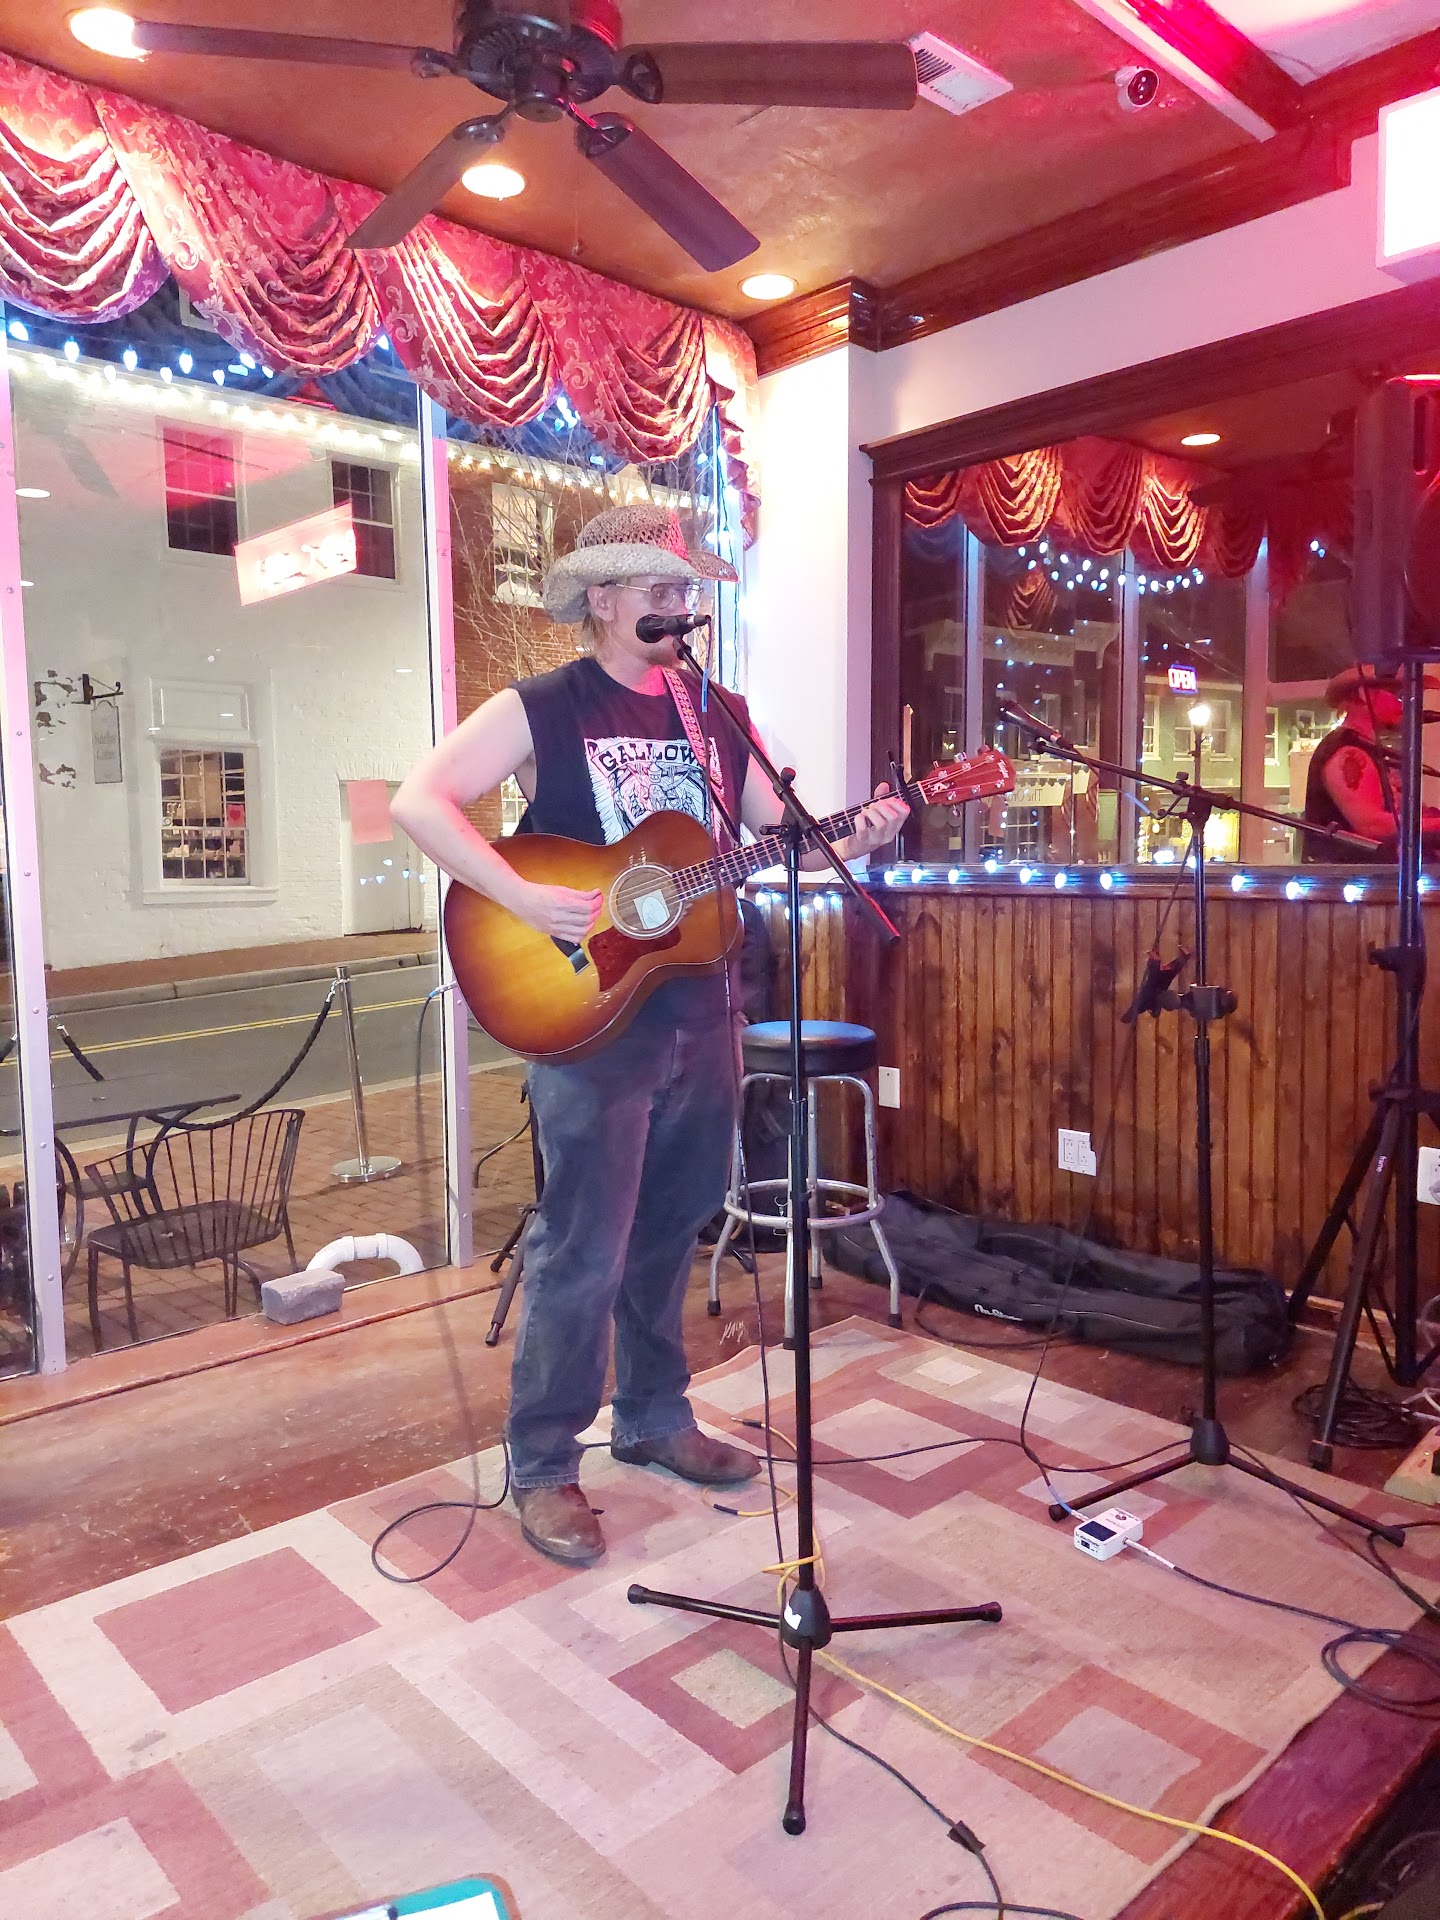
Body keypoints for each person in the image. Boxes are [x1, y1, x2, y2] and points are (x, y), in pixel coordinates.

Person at [392, 504, 908, 1565]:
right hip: (587, 1010)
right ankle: (544, 1462)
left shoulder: (715, 710)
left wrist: (862, 833)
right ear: (603, 600)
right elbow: (420, 801)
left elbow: (778, 841)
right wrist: (520, 895)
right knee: (583, 1244)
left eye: (685, 589)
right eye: (659, 588)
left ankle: (654, 1417)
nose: (681, 604)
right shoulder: (543, 705)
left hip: (701, 1004)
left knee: (672, 1225)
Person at [1301, 662, 1440, 861]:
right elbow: (1372, 825)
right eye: (1399, 696)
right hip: (1351, 877)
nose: (1404, 705)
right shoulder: (1347, 752)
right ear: (1364, 695)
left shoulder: (1369, 749)